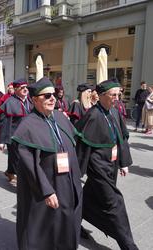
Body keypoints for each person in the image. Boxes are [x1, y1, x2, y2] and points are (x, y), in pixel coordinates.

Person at [12, 77, 82, 250]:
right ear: (34, 100)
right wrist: (46, 191)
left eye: (53, 95)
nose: (53, 98)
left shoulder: (59, 117)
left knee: (65, 220)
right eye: (47, 96)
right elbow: (30, 166)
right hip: (46, 185)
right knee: (43, 226)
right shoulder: (28, 125)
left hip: (67, 180)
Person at [75, 79, 138, 250]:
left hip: (113, 163)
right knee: (114, 202)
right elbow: (82, 143)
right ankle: (128, 245)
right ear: (101, 95)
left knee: (88, 196)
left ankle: (74, 223)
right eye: (113, 95)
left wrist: (124, 162)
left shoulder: (115, 112)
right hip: (97, 164)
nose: (117, 98)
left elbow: (122, 138)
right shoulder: (92, 115)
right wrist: (76, 172)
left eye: (119, 94)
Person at [0, 79, 33, 184]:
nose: (25, 89)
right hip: (14, 136)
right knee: (19, 159)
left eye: (26, 87)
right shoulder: (9, 102)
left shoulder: (29, 100)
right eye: (22, 88)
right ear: (16, 89)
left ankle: (10, 172)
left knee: (14, 157)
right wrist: (2, 141)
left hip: (27, 136)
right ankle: (23, 182)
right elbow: (4, 123)